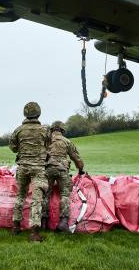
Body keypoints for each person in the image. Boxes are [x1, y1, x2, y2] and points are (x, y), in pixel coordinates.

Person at [9, 102, 50, 242]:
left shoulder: (18, 130)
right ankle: (34, 233)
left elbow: (13, 148)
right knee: (36, 199)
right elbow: (48, 145)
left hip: (22, 167)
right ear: (38, 114)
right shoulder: (45, 130)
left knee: (20, 196)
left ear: (25, 114)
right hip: (38, 168)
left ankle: (15, 226)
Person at [42, 120, 84, 232]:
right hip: (62, 170)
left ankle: (43, 222)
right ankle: (63, 222)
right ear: (62, 130)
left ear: (52, 130)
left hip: (48, 169)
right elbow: (76, 158)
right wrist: (80, 170)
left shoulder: (46, 141)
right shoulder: (67, 142)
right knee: (65, 194)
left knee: (45, 194)